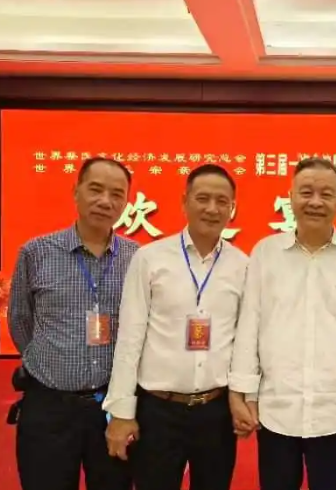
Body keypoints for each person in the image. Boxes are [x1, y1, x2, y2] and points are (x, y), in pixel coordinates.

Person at [228, 157, 336, 490]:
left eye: (326, 194)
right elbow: (249, 327)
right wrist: (244, 392)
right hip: (276, 407)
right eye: (306, 192)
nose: (315, 202)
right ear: (291, 197)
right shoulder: (266, 253)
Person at [103, 164, 248, 490]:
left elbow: (243, 342)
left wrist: (243, 398)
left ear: (232, 208)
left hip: (215, 412)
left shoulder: (243, 265)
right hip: (159, 411)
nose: (212, 208)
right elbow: (130, 338)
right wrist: (122, 412)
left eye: (222, 201)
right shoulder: (150, 258)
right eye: (203, 198)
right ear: (184, 202)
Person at [8, 157, 138, 490]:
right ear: (75, 192)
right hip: (49, 406)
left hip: (111, 407)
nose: (105, 201)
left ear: (126, 201)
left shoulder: (138, 258)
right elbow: (20, 320)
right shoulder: (37, 252)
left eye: (117, 194)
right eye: (95, 189)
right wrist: (49, 361)